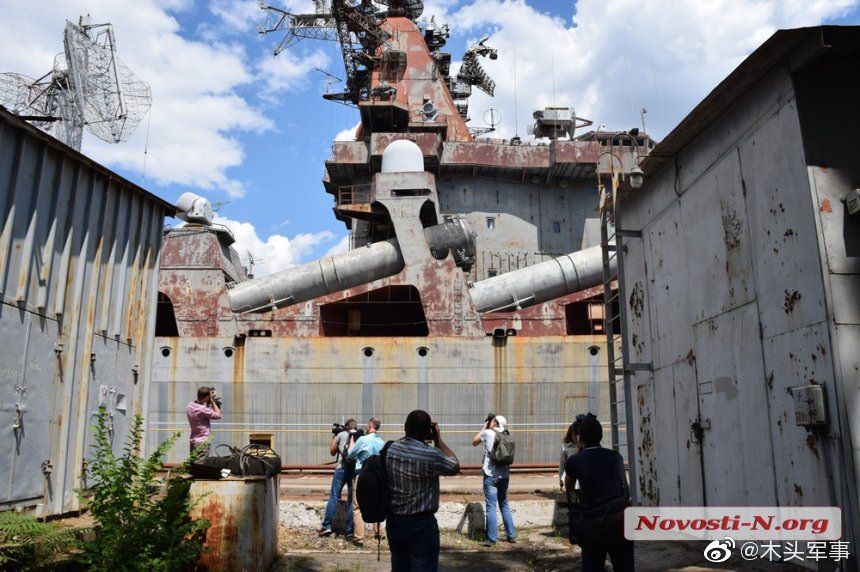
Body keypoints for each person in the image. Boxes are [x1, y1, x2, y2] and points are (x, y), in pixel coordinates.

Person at [385, 410, 460, 571]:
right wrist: (438, 439)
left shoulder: (391, 449)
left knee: (399, 567)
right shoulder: (431, 455)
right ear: (428, 431)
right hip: (421, 525)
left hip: (395, 521)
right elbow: (454, 465)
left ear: (405, 427)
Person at [564, 415, 634, 572]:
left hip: (592, 523)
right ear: (601, 436)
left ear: (581, 437)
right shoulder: (615, 457)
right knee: (625, 566)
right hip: (619, 521)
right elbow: (625, 489)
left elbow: (568, 487)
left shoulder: (575, 460)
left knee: (592, 566)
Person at [472, 414, 515, 546]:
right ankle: (511, 536)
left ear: (495, 423)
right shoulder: (507, 435)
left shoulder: (488, 433)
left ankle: (491, 539)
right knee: (504, 504)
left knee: (491, 506)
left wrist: (483, 427)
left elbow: (474, 442)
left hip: (491, 474)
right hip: (505, 475)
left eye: (492, 420)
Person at [347, 417, 385, 546]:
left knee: (357, 506)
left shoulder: (363, 440)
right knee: (377, 502)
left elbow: (351, 454)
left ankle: (359, 538)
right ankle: (379, 533)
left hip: (362, 475)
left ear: (370, 425)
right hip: (378, 476)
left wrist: (352, 439)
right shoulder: (382, 442)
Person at [319, 418, 359, 537]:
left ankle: (327, 526)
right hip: (354, 470)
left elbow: (332, 451)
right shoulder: (360, 436)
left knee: (334, 497)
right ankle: (350, 530)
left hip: (341, 469)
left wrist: (334, 439)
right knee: (352, 500)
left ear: (346, 427)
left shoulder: (341, 434)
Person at [186, 386, 221, 459]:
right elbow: (219, 415)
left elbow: (201, 407)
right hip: (202, 442)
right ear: (206, 397)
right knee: (201, 467)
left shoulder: (190, 405)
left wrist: (208, 398)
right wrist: (212, 401)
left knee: (193, 466)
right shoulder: (203, 409)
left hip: (193, 441)